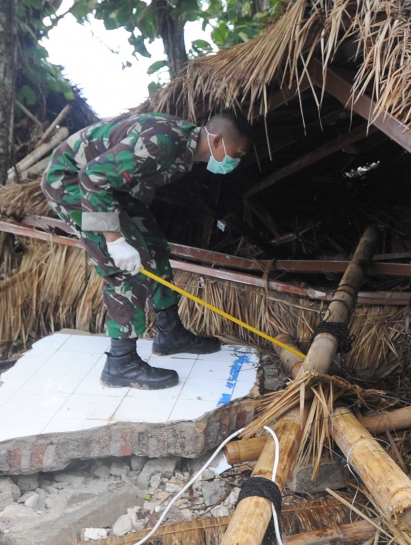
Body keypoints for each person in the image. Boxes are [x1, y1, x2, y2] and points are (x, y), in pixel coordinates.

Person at [41, 111, 253, 390]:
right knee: (125, 270)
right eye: (236, 153)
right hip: (72, 184)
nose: (236, 161)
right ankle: (120, 361)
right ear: (217, 143)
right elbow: (92, 178)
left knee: (154, 248)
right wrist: (115, 241)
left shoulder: (182, 149)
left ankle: (170, 332)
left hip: (112, 190)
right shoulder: (162, 142)